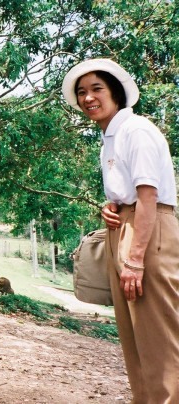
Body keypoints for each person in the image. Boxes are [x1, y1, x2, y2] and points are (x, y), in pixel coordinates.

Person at [62, 58, 179, 402]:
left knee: (161, 336)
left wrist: (136, 259)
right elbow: (129, 192)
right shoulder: (110, 137)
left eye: (96, 88)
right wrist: (111, 205)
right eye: (82, 92)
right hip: (126, 227)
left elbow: (149, 195)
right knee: (134, 336)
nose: (88, 98)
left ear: (115, 92)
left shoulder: (136, 130)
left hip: (149, 231)